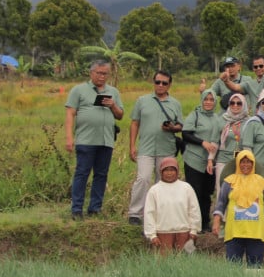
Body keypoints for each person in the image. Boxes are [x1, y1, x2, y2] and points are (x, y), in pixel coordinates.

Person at [65, 60, 124, 219]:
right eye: (99, 73)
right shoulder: (79, 90)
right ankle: (76, 209)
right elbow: (70, 113)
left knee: (101, 174)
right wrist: (69, 137)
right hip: (86, 139)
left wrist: (112, 105)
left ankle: (95, 208)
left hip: (106, 140)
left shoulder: (113, 91)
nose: (102, 76)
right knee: (82, 173)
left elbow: (120, 115)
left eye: (105, 73)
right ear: (91, 73)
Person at [127, 70, 184, 226]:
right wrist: (132, 145)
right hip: (145, 147)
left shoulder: (175, 104)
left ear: (169, 85)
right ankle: (135, 213)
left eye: (164, 83)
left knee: (163, 181)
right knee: (143, 178)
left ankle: (160, 213)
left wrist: (172, 128)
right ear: (153, 83)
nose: (160, 85)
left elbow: (180, 126)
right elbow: (134, 123)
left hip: (166, 149)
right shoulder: (142, 101)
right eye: (157, 82)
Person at [212, 150, 264, 266]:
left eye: (248, 162)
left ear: (253, 164)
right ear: (237, 163)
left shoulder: (261, 181)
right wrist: (216, 221)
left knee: (255, 268)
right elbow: (221, 202)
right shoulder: (229, 181)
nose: (245, 165)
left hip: (256, 231)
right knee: (232, 267)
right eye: (242, 162)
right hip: (234, 231)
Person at [181, 89, 221, 231]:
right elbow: (185, 134)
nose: (208, 102)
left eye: (211, 99)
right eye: (206, 99)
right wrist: (202, 142)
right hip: (193, 159)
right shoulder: (195, 115)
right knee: (194, 192)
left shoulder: (217, 118)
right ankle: (193, 224)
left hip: (210, 162)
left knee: (207, 193)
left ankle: (205, 223)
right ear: (202, 100)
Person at [143, 157, 201, 253]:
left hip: (184, 233)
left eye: (172, 170)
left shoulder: (186, 188)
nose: (169, 173)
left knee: (185, 263)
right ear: (161, 172)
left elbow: (194, 209)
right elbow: (149, 213)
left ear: (177, 171)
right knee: (163, 265)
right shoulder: (154, 190)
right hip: (162, 233)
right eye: (166, 170)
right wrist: (152, 235)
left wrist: (194, 230)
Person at [214, 92, 249, 185]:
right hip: (223, 160)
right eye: (232, 103)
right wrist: (210, 160)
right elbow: (214, 142)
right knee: (221, 190)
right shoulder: (222, 119)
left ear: (244, 104)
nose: (235, 105)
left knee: (238, 191)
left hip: (241, 162)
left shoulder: (249, 122)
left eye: (239, 103)